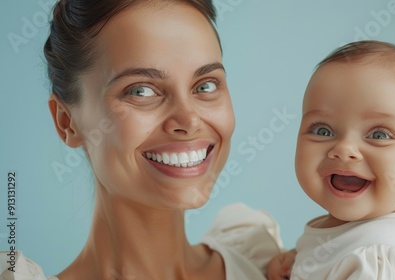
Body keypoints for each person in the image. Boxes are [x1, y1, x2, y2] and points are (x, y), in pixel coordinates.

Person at [0, 0, 283, 279]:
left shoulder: (267, 265)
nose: (189, 121)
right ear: (67, 122)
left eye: (205, 86)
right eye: (141, 91)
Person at [267, 40, 395, 280]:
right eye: (323, 131)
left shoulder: (381, 259)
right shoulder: (363, 236)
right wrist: (301, 260)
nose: (344, 149)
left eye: (379, 135)